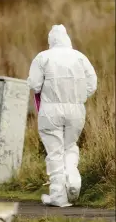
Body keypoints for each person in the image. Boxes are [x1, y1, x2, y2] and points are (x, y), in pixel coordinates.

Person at [27, 25, 97, 207]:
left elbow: (34, 85)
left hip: (50, 110)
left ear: (51, 41)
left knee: (55, 152)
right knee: (70, 146)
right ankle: (73, 178)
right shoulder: (80, 57)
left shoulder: (42, 57)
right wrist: (77, 97)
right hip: (76, 110)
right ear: (67, 39)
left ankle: (58, 195)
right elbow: (92, 84)